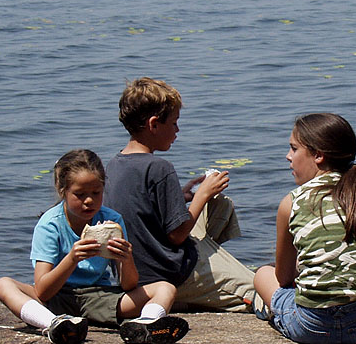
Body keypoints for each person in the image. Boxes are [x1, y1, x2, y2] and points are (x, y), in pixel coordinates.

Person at [0, 149, 188, 344]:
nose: (89, 201)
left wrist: (126, 259)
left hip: (98, 298)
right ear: (63, 191)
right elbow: (42, 291)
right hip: (57, 298)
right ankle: (54, 325)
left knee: (165, 288)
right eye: (80, 194)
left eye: (96, 193)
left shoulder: (112, 220)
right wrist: (72, 259)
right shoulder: (50, 224)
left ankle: (145, 324)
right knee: (3, 284)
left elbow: (128, 285)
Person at [253, 113, 356, 344]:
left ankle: (272, 311)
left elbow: (284, 278)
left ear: (318, 155)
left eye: (294, 148)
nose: (288, 156)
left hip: (309, 328)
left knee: (262, 274)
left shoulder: (291, 203)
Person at [104, 78, 256, 313]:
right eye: (174, 123)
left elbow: (141, 209)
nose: (177, 130)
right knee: (258, 290)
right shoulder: (159, 167)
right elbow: (177, 235)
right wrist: (201, 195)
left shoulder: (113, 165)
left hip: (136, 271)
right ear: (154, 124)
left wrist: (181, 196)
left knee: (220, 203)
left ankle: (210, 268)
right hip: (169, 270)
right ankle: (204, 282)